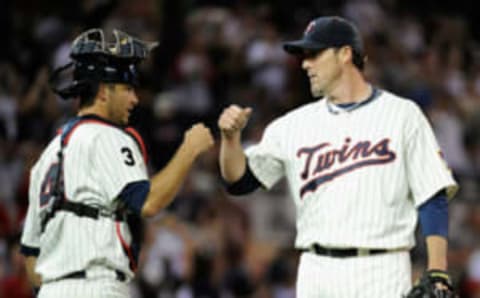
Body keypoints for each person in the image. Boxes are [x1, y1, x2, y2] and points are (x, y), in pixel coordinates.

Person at [218, 16, 458, 297]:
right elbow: (240, 181)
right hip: (316, 271)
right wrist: (230, 140)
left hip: (382, 269)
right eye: (303, 56)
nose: (305, 63)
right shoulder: (293, 125)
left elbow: (432, 196)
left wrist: (437, 270)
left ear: (345, 54)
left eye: (314, 53)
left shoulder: (402, 115)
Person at [19, 28, 214, 298]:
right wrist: (189, 150)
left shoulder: (47, 157)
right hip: (97, 286)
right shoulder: (107, 136)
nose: (134, 99)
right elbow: (149, 202)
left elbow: (30, 257)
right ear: (102, 91)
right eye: (127, 88)